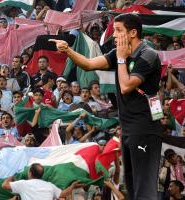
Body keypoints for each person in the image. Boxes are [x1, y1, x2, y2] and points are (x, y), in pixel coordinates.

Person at [51, 13, 163, 199]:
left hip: (145, 128)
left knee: (144, 189)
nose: (114, 35)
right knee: (133, 186)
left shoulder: (147, 54)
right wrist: (68, 50)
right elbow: (88, 64)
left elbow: (126, 86)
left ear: (133, 32)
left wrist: (120, 59)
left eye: (119, 30)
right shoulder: (118, 53)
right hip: (128, 128)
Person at [2, 163, 82, 200]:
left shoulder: (23, 184)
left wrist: (12, 173)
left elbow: (4, 185)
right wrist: (73, 186)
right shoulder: (50, 185)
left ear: (29, 173)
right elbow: (63, 193)